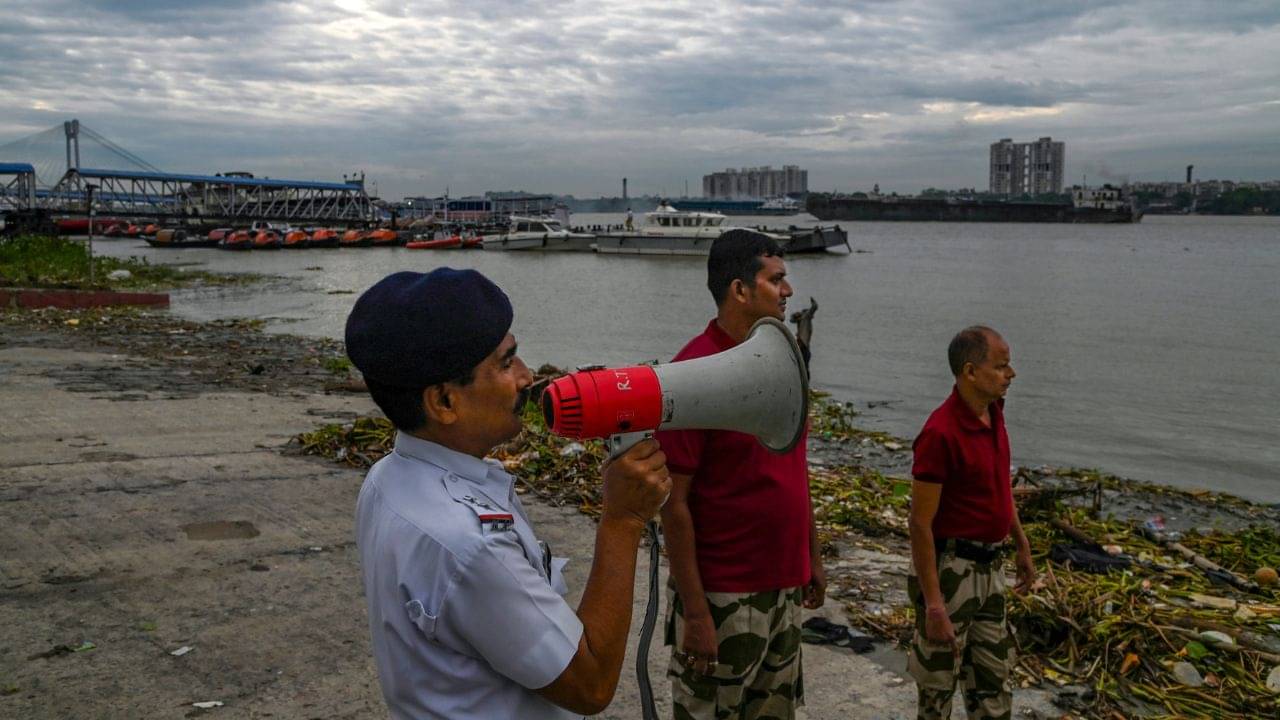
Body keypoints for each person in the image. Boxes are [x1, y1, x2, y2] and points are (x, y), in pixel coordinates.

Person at [345, 269, 672, 719]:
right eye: (505, 362)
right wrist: (622, 521)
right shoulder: (469, 544)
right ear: (443, 402)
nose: (527, 376)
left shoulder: (387, 478)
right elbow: (591, 684)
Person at [656, 230, 825, 720]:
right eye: (777, 280)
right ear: (740, 290)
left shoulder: (782, 364)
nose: (788, 291)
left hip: (783, 589)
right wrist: (695, 612)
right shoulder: (695, 373)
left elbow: (795, 466)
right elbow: (675, 504)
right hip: (724, 593)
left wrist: (810, 554)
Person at [907, 326, 1036, 720]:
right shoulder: (940, 433)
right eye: (1000, 366)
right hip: (951, 571)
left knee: (994, 686)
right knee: (938, 688)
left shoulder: (994, 413)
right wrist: (933, 604)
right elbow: (919, 524)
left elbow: (999, 489)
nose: (1010, 374)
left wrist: (1022, 546)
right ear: (970, 372)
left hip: (990, 569)